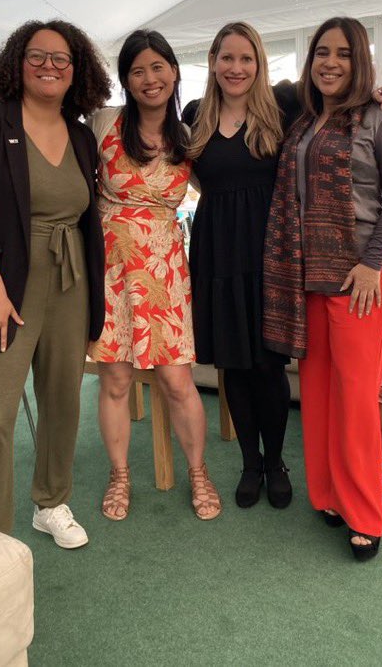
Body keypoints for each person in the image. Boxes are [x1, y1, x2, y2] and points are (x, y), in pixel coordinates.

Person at [183, 21, 382, 512]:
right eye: (226, 58)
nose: (236, 68)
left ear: (259, 63)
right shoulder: (195, 114)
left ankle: (277, 462)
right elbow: (193, 175)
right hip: (218, 249)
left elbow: (340, 84)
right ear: (213, 62)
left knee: (270, 362)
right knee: (234, 366)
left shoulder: (283, 105)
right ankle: (249, 464)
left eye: (246, 59)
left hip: (276, 252)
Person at [0, 19, 110, 546]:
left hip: (71, 283)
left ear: (76, 70)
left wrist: (94, 310)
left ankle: (51, 502)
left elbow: (89, 226)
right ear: (17, 63)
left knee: (63, 402)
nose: (49, 66)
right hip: (2, 288)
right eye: (37, 56)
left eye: (61, 59)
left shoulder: (84, 137)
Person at [262, 17, 382, 561]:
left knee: (354, 400)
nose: (330, 62)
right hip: (310, 275)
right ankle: (327, 495)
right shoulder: (302, 118)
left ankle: (366, 514)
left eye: (344, 54)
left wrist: (372, 263)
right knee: (319, 391)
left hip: (361, 276)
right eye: (322, 52)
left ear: (361, 60)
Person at [87, 29, 221, 522]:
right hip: (111, 269)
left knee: (177, 380)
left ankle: (199, 472)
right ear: (125, 79)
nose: (149, 78)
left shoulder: (191, 137)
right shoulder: (102, 123)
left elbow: (271, 110)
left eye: (157, 67)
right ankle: (119, 474)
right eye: (137, 70)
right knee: (116, 379)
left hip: (165, 270)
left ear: (175, 71)